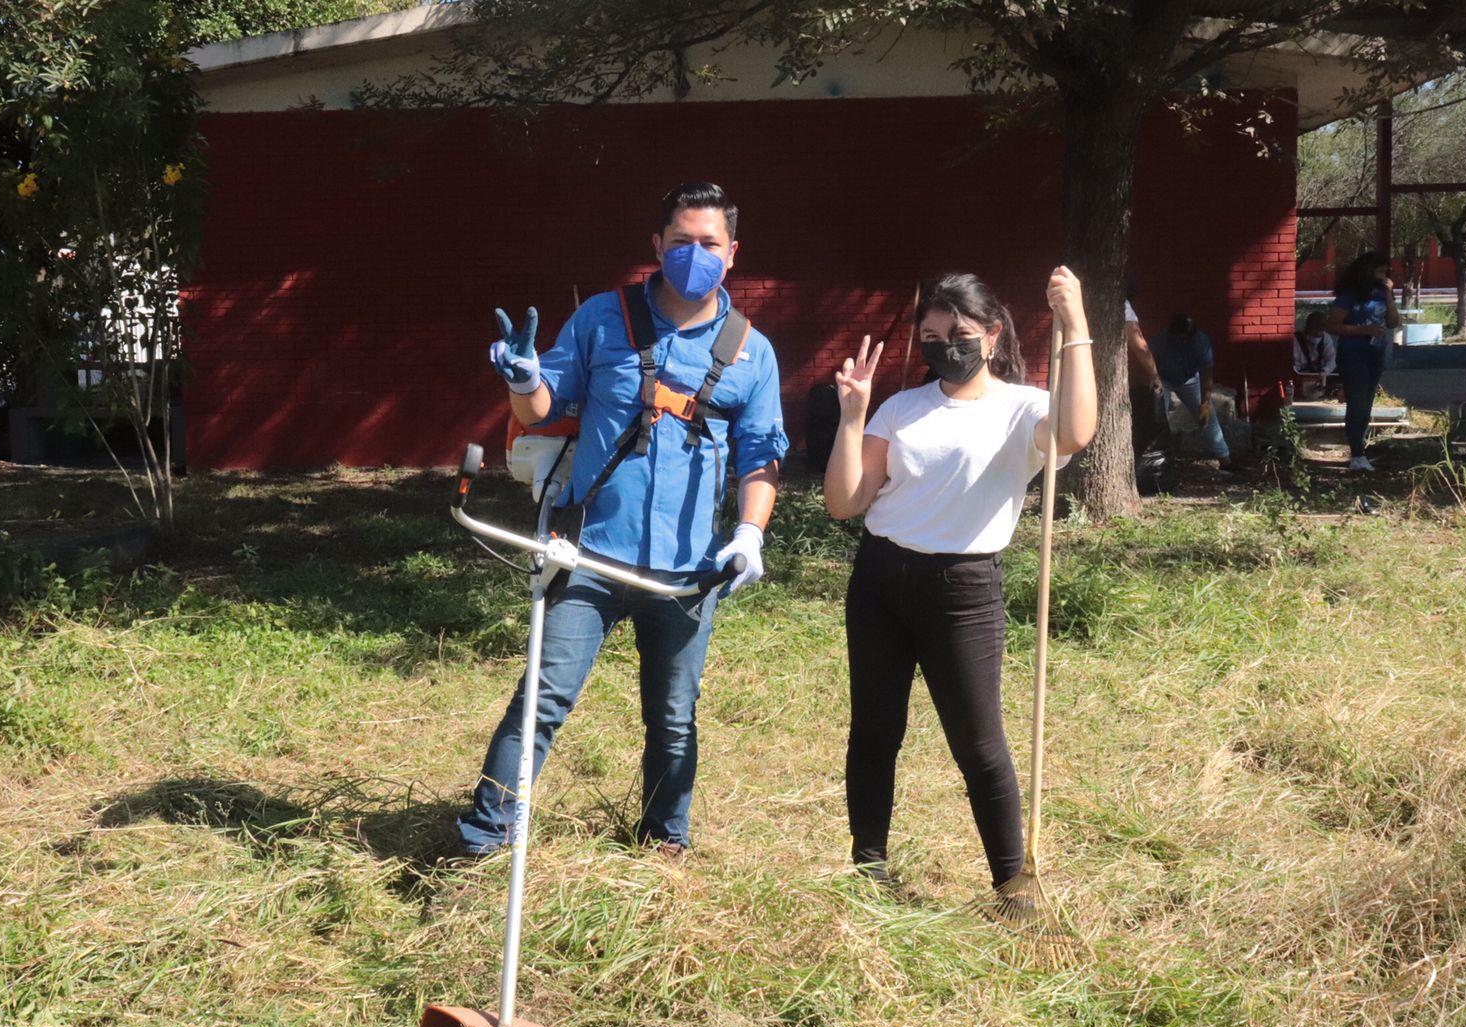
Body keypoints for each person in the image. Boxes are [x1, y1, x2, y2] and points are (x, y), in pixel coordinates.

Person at [459, 181, 788, 859]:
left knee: (673, 719)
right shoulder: (603, 321)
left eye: (708, 245)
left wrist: (750, 532)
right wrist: (523, 380)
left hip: (687, 569)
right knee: (542, 699)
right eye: (679, 243)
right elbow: (540, 411)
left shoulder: (752, 351)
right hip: (588, 552)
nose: (692, 256)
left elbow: (762, 458)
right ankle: (485, 837)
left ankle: (664, 842)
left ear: (732, 254)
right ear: (655, 247)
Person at [821, 268, 1096, 899]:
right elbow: (845, 502)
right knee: (874, 730)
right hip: (880, 580)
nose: (947, 345)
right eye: (933, 334)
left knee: (978, 742)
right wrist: (852, 417)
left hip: (964, 589)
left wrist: (1075, 323)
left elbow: (1077, 431)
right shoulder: (900, 408)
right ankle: (868, 867)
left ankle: (1012, 884)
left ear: (992, 337)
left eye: (961, 333)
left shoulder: (1023, 408)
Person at [1326, 251, 1400, 472]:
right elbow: (1332, 325)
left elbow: (1393, 321)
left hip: (1376, 352)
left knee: (1367, 402)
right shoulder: (1350, 295)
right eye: (1379, 272)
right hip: (1353, 352)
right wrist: (1362, 330)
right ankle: (1356, 453)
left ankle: (1360, 450)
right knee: (1357, 401)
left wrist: (1388, 294)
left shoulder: (1382, 292)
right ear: (1367, 272)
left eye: (1385, 273)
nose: (1382, 276)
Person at [1151, 313, 1232, 469]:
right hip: (1163, 379)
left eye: (1185, 338)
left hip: (1189, 380)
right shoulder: (1161, 340)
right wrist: (1155, 382)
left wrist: (1205, 404)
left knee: (1208, 417)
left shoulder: (1201, 342)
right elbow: (1150, 361)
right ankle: (1159, 460)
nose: (1182, 341)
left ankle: (1224, 458)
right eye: (1179, 338)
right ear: (1172, 333)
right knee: (1157, 416)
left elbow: (1207, 374)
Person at [1124, 285, 1165, 454]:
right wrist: (1154, 375)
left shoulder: (1079, 297)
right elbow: (1139, 346)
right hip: (1116, 383)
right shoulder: (1121, 306)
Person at [1292, 310, 1337, 396]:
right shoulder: (1296, 339)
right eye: (1314, 330)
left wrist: (1324, 372)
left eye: (1320, 330)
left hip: (1320, 376)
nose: (1317, 333)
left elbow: (1331, 360)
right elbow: (1295, 364)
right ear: (1307, 328)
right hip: (1301, 376)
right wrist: (1305, 376)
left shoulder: (1326, 338)